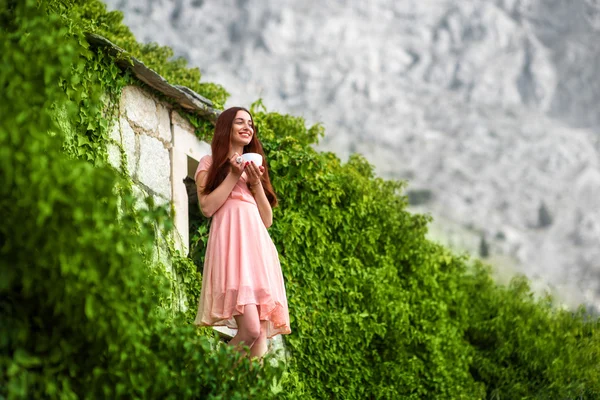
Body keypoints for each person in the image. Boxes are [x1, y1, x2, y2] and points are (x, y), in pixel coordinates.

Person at [193, 107, 291, 359]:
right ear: (227, 127)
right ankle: (211, 381)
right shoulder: (210, 163)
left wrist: (255, 183)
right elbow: (207, 207)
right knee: (249, 329)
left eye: (250, 123)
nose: (248, 127)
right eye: (240, 122)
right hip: (231, 247)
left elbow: (267, 220)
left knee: (259, 337)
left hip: (256, 248)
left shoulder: (255, 168)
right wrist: (233, 175)